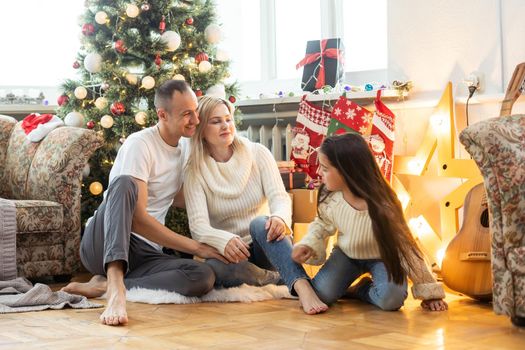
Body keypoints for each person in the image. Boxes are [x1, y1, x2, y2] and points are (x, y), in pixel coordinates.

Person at [62, 80, 226, 326]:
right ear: (162, 115)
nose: (195, 119)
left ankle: (103, 285)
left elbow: (185, 199)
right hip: (104, 240)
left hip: (144, 254)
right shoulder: (140, 144)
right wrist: (197, 247)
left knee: (202, 276)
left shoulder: (185, 149)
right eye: (186, 114)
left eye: (196, 111)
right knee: (124, 183)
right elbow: (137, 220)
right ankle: (116, 285)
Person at [183, 96, 328, 315]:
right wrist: (225, 240)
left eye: (228, 119)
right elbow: (198, 227)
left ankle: (302, 287)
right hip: (231, 254)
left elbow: (280, 198)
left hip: (266, 244)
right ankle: (276, 278)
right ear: (201, 129)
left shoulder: (258, 153)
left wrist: (279, 218)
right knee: (213, 269)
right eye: (215, 121)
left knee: (261, 222)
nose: (225, 126)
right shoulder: (194, 170)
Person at [292, 133, 448, 312]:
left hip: (382, 257)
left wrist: (430, 292)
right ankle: (354, 285)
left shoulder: (383, 205)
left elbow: (406, 247)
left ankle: (362, 290)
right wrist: (308, 244)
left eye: (325, 169)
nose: (319, 173)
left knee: (391, 300)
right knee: (321, 295)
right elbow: (321, 224)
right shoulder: (331, 199)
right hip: (346, 255)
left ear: (347, 171)